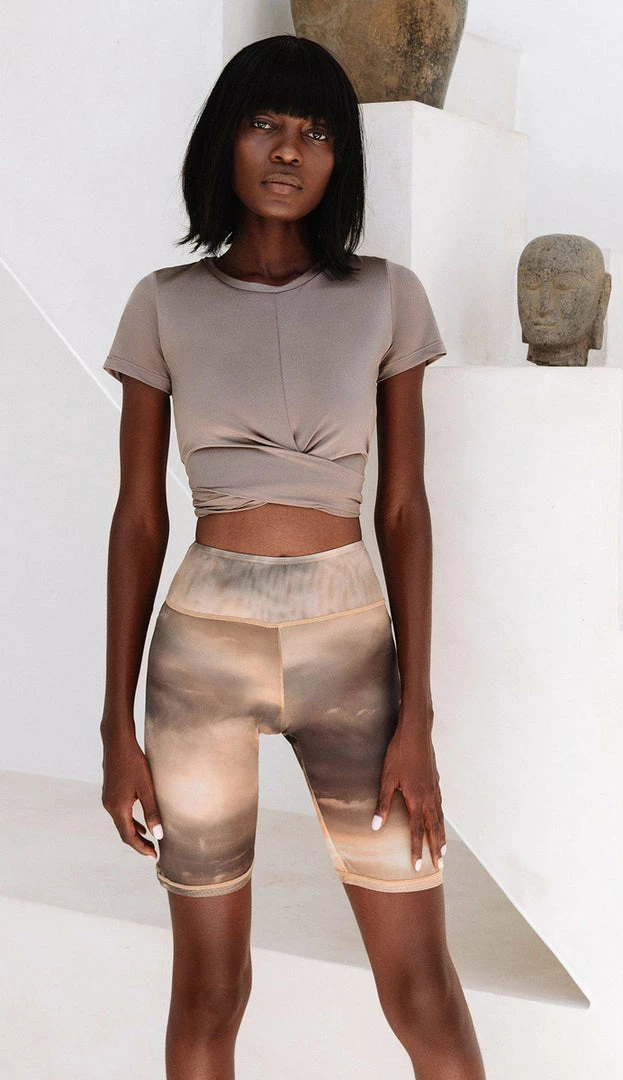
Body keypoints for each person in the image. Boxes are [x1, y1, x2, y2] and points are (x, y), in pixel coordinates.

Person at [100, 33, 485, 1080]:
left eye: (316, 133)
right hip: (201, 658)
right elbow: (137, 519)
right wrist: (115, 726)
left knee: (423, 990)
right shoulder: (163, 303)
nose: (288, 150)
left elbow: (403, 509)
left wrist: (418, 717)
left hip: (350, 650)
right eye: (265, 124)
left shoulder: (386, 295)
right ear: (224, 140)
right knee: (208, 993)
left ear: (338, 159)